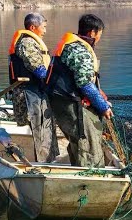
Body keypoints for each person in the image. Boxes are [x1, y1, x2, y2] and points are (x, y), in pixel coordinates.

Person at [46, 14, 113, 167]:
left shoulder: (70, 46)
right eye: (99, 34)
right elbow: (84, 83)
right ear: (92, 33)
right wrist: (103, 106)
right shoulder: (80, 50)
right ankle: (90, 180)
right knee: (87, 144)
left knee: (76, 141)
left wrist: (98, 94)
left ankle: (78, 171)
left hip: (60, 102)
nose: (99, 38)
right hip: (71, 104)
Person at [7, 13, 59, 162]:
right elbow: (39, 70)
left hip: (36, 92)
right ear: (32, 27)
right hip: (29, 94)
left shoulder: (32, 42)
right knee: (40, 130)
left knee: (44, 129)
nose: (45, 31)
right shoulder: (27, 43)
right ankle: (43, 166)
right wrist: (56, 83)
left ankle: (47, 161)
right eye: (43, 27)